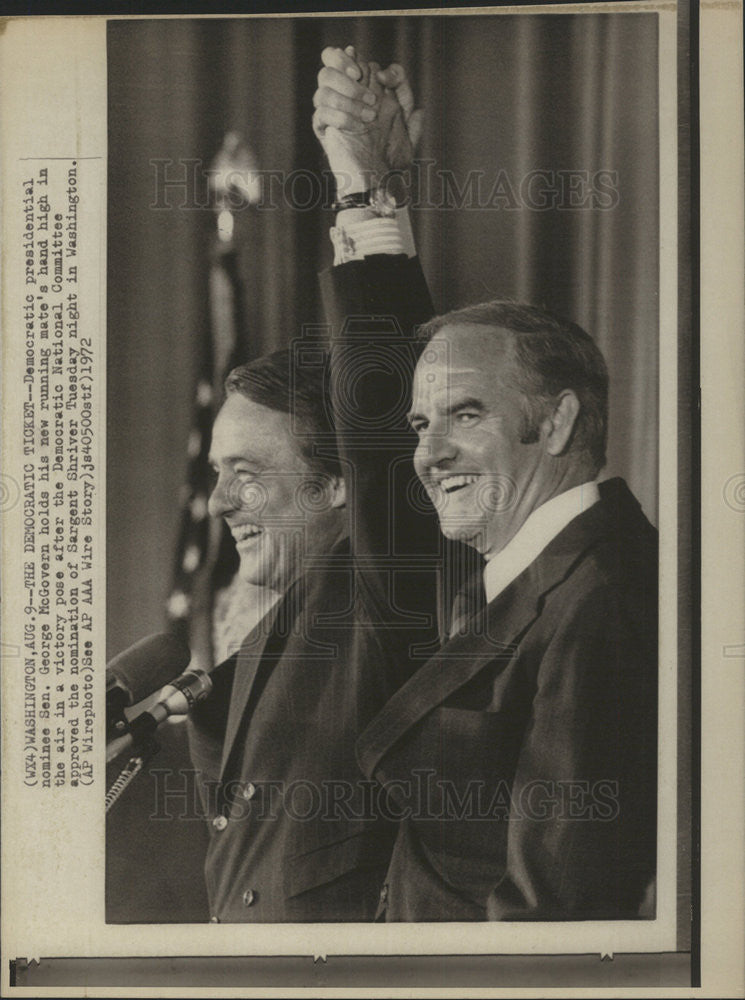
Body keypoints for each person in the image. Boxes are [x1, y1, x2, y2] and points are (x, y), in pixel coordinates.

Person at [314, 46, 658, 921]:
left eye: (465, 415)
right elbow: (386, 461)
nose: (427, 456)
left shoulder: (600, 601)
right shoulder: (527, 566)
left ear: (560, 421)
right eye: (422, 427)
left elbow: (553, 917)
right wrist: (363, 198)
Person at [187, 311, 439, 918]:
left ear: (336, 484)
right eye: (218, 474)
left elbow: (381, 440)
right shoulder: (282, 620)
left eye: (245, 475)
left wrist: (371, 245)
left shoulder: (379, 592)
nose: (219, 502)